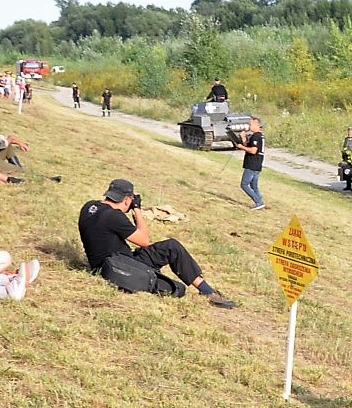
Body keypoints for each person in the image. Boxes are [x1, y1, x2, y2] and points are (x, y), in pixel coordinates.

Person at [78, 178, 236, 308]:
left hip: (113, 261)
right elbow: (144, 241)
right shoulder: (114, 216)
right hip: (116, 267)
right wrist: (137, 210)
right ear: (127, 200)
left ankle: (206, 290)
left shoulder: (89, 206)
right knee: (178, 289)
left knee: (171, 246)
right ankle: (207, 292)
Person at [235, 116, 266, 210]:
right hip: (257, 164)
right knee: (253, 185)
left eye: (250, 124)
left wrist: (241, 147)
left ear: (257, 125)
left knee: (244, 184)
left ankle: (258, 202)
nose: (249, 126)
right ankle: (260, 201)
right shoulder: (259, 136)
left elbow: (253, 150)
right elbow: (249, 146)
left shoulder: (256, 136)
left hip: (252, 164)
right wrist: (244, 139)